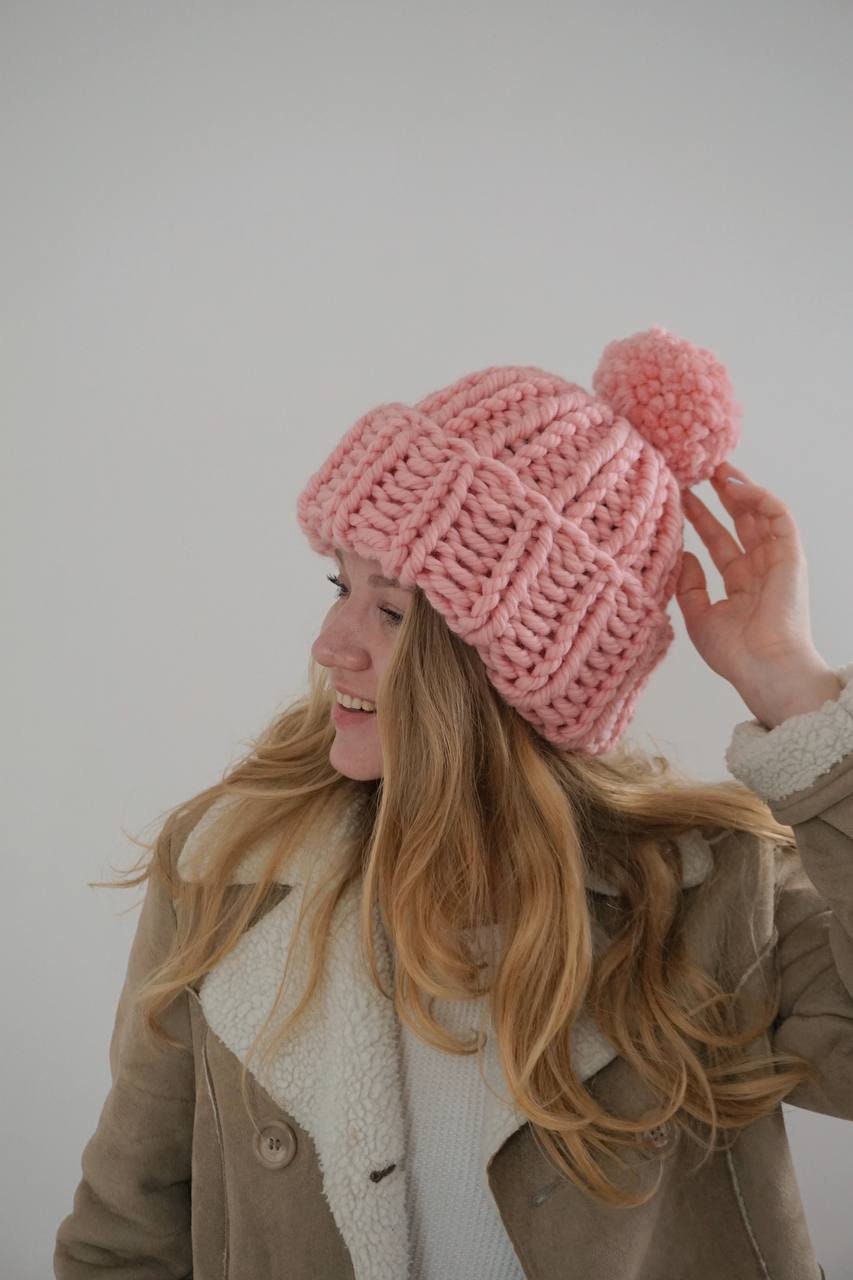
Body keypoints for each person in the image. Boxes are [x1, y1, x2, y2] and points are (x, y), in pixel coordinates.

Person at [54, 326, 850, 1280]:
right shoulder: (225, 865)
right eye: (338, 585)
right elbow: (125, 1234)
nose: (330, 644)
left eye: (390, 612)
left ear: (508, 673)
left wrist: (794, 696)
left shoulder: (715, 891)